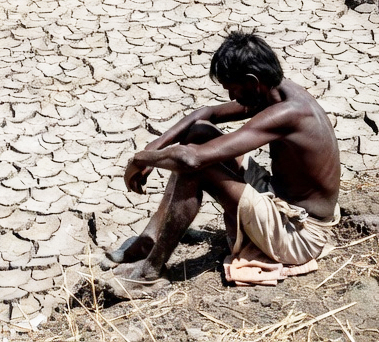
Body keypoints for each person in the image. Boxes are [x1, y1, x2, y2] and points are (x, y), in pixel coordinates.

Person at [103, 31, 340, 298]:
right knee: (200, 132)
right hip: (279, 198)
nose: (231, 95)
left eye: (233, 88)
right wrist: (153, 147)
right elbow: (204, 115)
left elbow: (192, 160)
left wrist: (140, 159)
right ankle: (149, 242)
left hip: (299, 233)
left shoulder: (289, 113)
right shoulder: (275, 90)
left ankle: (149, 274)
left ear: (252, 82)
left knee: (196, 167)